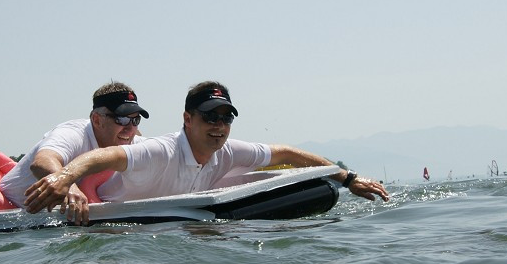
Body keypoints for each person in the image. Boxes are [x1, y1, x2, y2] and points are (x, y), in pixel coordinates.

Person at [25, 81, 389, 223]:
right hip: (106, 215)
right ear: (188, 119)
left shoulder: (228, 150)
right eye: (209, 117)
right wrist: (66, 177)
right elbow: (104, 158)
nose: (219, 125)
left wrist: (349, 178)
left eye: (226, 117)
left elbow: (287, 153)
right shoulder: (159, 149)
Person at [0, 81, 149, 223]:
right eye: (121, 120)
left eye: (135, 120)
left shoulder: (131, 140)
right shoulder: (72, 134)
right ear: (97, 120)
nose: (130, 128)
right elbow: (41, 162)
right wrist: (67, 184)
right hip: (5, 214)